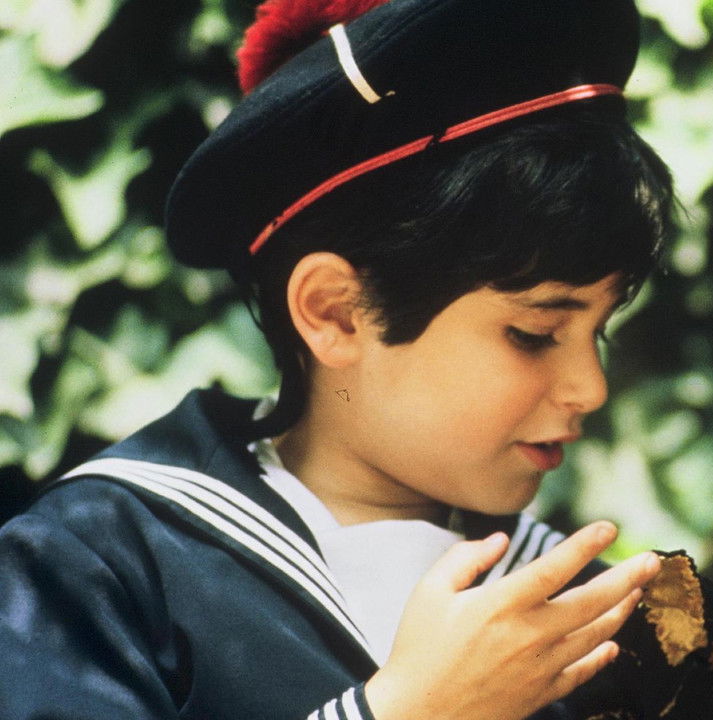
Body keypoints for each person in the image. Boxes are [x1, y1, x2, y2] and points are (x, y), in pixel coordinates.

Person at [0, 0, 674, 718]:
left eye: (597, 332)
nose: (589, 388)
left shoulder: (595, 616)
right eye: (535, 333)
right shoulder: (99, 570)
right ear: (335, 313)